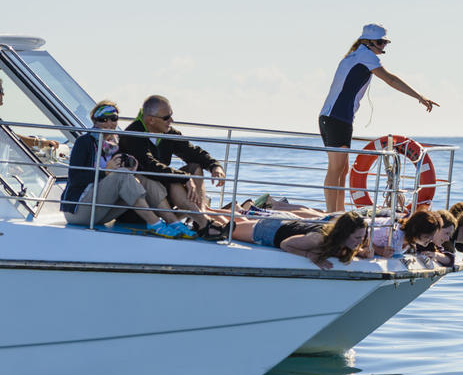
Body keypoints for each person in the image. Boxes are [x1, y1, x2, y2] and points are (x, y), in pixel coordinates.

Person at [318, 23, 439, 212]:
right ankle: (331, 214)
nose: (383, 46)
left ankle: (338, 212)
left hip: (338, 119)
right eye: (380, 42)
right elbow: (390, 79)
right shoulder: (365, 55)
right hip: (335, 118)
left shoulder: (357, 54)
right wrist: (419, 97)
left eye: (385, 43)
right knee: (336, 168)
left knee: (342, 169)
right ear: (368, 42)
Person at [61, 101, 195, 237]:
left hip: (102, 211)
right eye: (102, 119)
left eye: (113, 118)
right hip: (79, 211)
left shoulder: (117, 143)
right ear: (95, 121)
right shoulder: (84, 142)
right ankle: (155, 224)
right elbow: (75, 178)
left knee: (142, 176)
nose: (109, 123)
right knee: (121, 175)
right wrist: (105, 172)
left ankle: (172, 222)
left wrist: (132, 166)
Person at [119, 95, 227, 237]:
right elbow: (150, 166)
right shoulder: (133, 135)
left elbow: (192, 152)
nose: (171, 120)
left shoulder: (167, 132)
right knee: (176, 180)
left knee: (194, 167)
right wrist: (183, 178)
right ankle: (204, 223)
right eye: (166, 117)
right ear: (150, 120)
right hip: (142, 205)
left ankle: (200, 220)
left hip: (163, 196)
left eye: (171, 115)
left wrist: (214, 166)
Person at [231, 211, 381, 270]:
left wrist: (361, 252)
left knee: (233, 223)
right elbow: (286, 244)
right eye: (357, 238)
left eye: (362, 237)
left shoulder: (341, 243)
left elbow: (344, 250)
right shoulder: (318, 239)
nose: (360, 241)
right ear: (344, 234)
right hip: (271, 230)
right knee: (227, 230)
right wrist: (310, 256)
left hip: (289, 222)